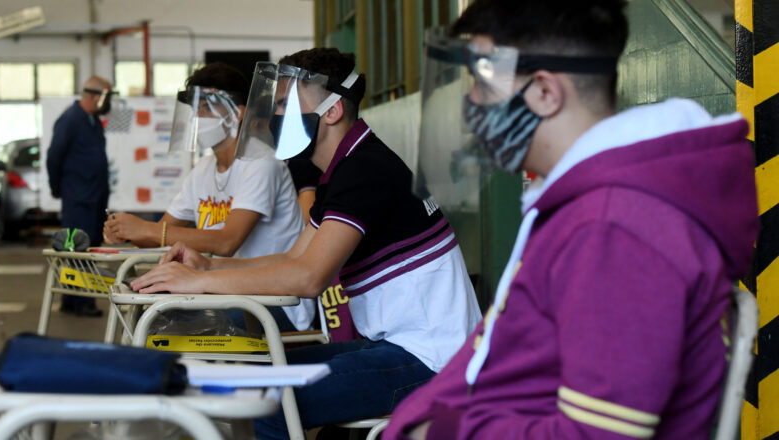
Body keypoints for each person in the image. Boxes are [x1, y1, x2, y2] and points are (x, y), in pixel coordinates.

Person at [383, 1, 759, 439]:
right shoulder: (584, 206)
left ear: (544, 92)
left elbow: (596, 434)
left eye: (484, 86)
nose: (471, 103)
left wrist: (437, 431)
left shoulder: (615, 230)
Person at [131, 48, 482, 438]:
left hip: (433, 361)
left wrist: (197, 283)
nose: (275, 116)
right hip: (400, 346)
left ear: (331, 111)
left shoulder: (365, 169)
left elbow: (308, 278)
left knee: (268, 399)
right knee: (258, 380)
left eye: (284, 104)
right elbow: (294, 257)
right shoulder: (345, 167)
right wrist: (206, 266)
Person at [103, 63, 314, 332]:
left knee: (162, 320)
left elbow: (226, 242)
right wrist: (125, 231)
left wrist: (146, 228)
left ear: (237, 113)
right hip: (227, 290)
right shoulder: (202, 170)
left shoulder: (262, 163)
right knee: (147, 310)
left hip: (277, 301)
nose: (197, 116)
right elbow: (162, 232)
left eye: (207, 107)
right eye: (195, 108)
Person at [46, 76, 113, 318]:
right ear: (95, 96)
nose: (110, 102)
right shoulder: (71, 120)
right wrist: (57, 187)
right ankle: (80, 301)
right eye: (108, 96)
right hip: (78, 198)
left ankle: (73, 299)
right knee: (77, 250)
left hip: (94, 198)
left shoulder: (92, 121)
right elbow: (54, 156)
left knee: (90, 248)